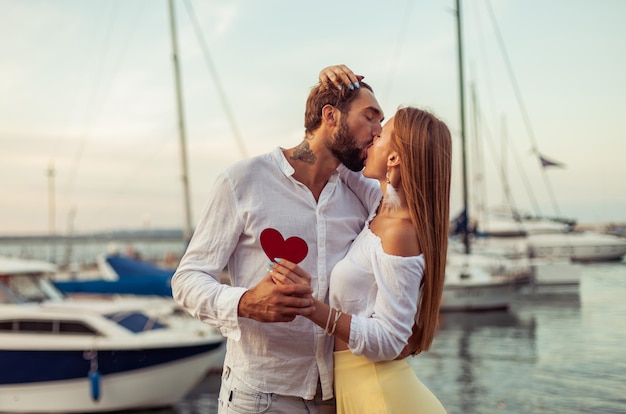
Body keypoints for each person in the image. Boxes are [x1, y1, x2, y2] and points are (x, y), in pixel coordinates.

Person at [171, 66, 386, 413]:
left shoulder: (361, 195)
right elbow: (187, 279)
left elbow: (404, 215)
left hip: (338, 397)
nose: (378, 133)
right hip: (259, 396)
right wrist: (246, 302)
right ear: (330, 116)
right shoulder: (242, 181)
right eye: (371, 118)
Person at [270, 101, 452, 412]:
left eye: (382, 135)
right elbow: (334, 154)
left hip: (382, 397)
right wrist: (331, 92)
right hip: (363, 391)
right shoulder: (378, 210)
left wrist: (311, 307)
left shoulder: (399, 233)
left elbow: (392, 339)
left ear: (393, 157)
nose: (373, 136)